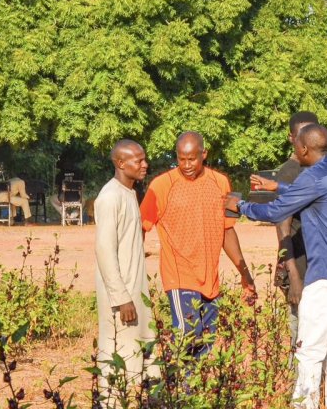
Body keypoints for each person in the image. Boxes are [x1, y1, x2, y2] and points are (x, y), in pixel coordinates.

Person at [230, 124, 327, 409]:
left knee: (308, 353)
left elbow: (275, 212)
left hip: (325, 277)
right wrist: (278, 187)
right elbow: (317, 194)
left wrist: (241, 206)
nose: (294, 151)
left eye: (295, 146)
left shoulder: (311, 176)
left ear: (303, 149)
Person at [140, 131, 256, 348]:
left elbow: (227, 230)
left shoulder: (221, 182)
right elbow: (141, 227)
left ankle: (189, 373)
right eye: (181, 159)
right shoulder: (161, 185)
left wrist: (245, 273)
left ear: (204, 154)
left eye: (192, 159)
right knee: (186, 337)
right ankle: (175, 372)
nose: (186, 165)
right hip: (179, 275)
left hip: (210, 279)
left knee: (207, 341)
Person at [92, 140, 155, 389]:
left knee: (138, 351)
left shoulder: (129, 193)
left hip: (135, 290)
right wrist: (121, 298)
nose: (144, 165)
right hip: (122, 296)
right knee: (118, 353)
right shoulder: (110, 197)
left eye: (144, 159)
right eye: (138, 161)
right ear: (120, 163)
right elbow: (104, 250)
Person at [273, 111, 320, 342]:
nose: (306, 139)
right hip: (299, 267)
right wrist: (293, 277)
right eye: (301, 134)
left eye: (310, 133)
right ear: (291, 138)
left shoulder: (319, 168)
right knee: (301, 337)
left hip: (321, 267)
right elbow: (283, 228)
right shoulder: (288, 173)